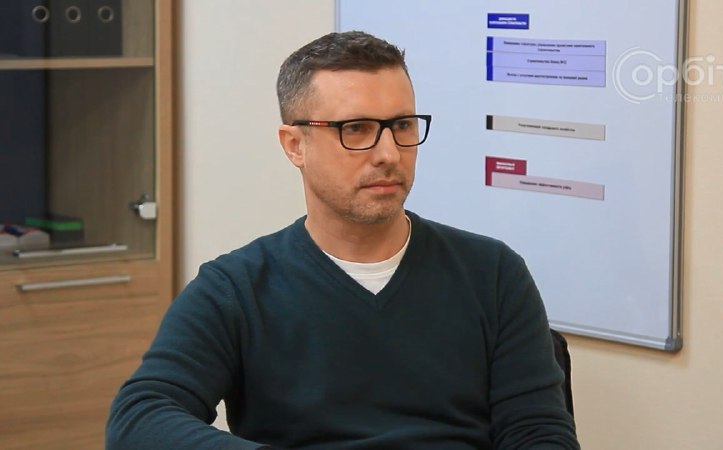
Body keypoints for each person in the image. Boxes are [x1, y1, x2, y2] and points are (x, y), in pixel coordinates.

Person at [106, 30, 580, 450]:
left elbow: (539, 433)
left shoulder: (492, 272)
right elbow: (139, 421)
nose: (388, 153)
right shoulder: (236, 289)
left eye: (402, 125)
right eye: (356, 129)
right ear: (294, 145)